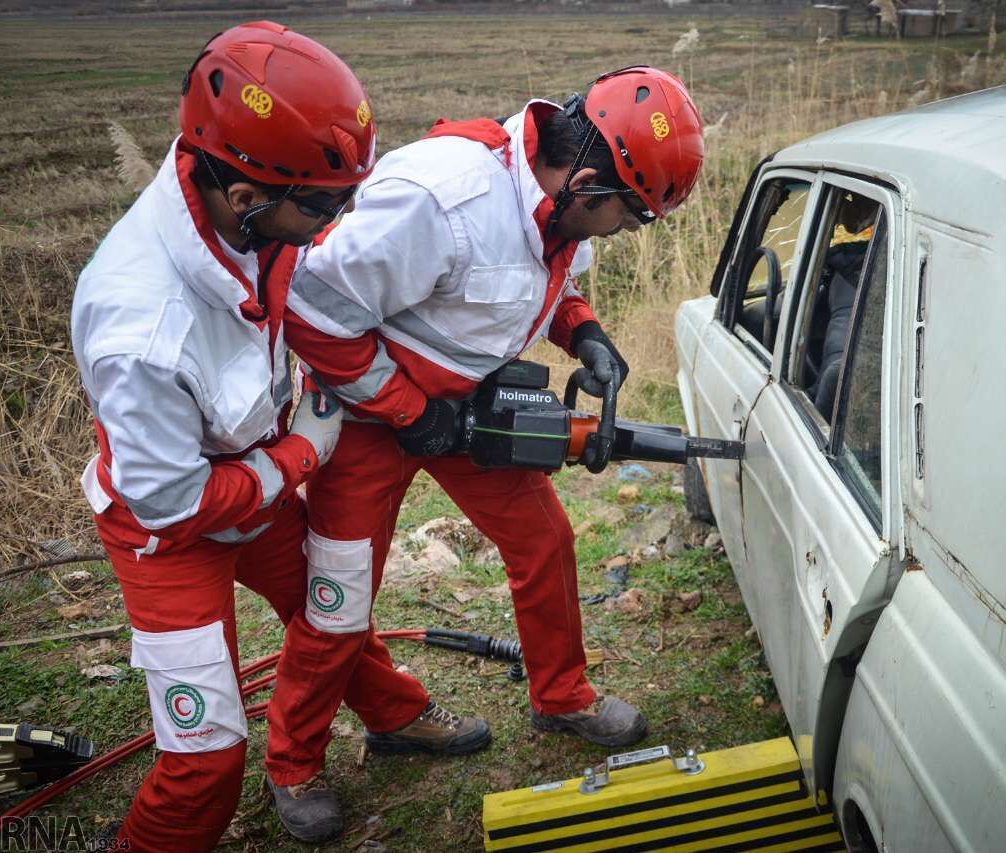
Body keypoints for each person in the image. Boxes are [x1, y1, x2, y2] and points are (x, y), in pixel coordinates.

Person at [273, 66, 705, 838]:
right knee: (339, 597)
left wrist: (584, 333)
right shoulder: (442, 200)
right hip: (367, 406)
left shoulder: (563, 205)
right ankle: (294, 763)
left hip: (465, 405)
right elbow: (311, 311)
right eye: (627, 218)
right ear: (589, 180)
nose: (622, 232)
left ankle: (561, 694)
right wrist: (406, 408)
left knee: (545, 540)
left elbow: (551, 279)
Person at [70, 21, 376, 851]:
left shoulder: (242, 212)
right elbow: (170, 501)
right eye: (320, 207)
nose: (331, 221)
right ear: (245, 198)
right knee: (206, 761)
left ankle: (399, 716)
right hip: (168, 531)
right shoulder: (141, 328)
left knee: (337, 606)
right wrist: (300, 455)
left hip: (252, 479)